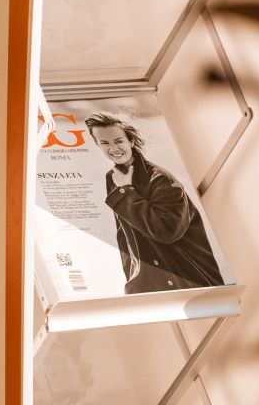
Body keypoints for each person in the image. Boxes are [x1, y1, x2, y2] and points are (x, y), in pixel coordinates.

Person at [83, 111, 223, 294]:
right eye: (105, 143)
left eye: (118, 141)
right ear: (97, 145)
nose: (114, 149)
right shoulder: (114, 177)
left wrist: (127, 190)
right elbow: (125, 236)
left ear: (131, 141)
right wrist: (132, 279)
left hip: (188, 280)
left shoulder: (160, 179)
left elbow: (166, 231)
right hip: (147, 283)